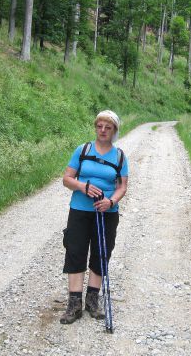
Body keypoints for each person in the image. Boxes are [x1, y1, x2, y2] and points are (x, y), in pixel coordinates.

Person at [60, 110, 129, 324]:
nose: (103, 131)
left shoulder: (119, 156)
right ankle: (74, 304)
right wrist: (83, 186)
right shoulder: (83, 150)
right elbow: (67, 179)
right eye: (99, 126)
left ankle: (92, 299)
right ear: (95, 127)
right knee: (75, 251)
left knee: (101, 254)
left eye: (108, 128)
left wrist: (111, 202)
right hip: (80, 210)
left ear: (114, 131)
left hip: (106, 213)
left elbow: (122, 186)